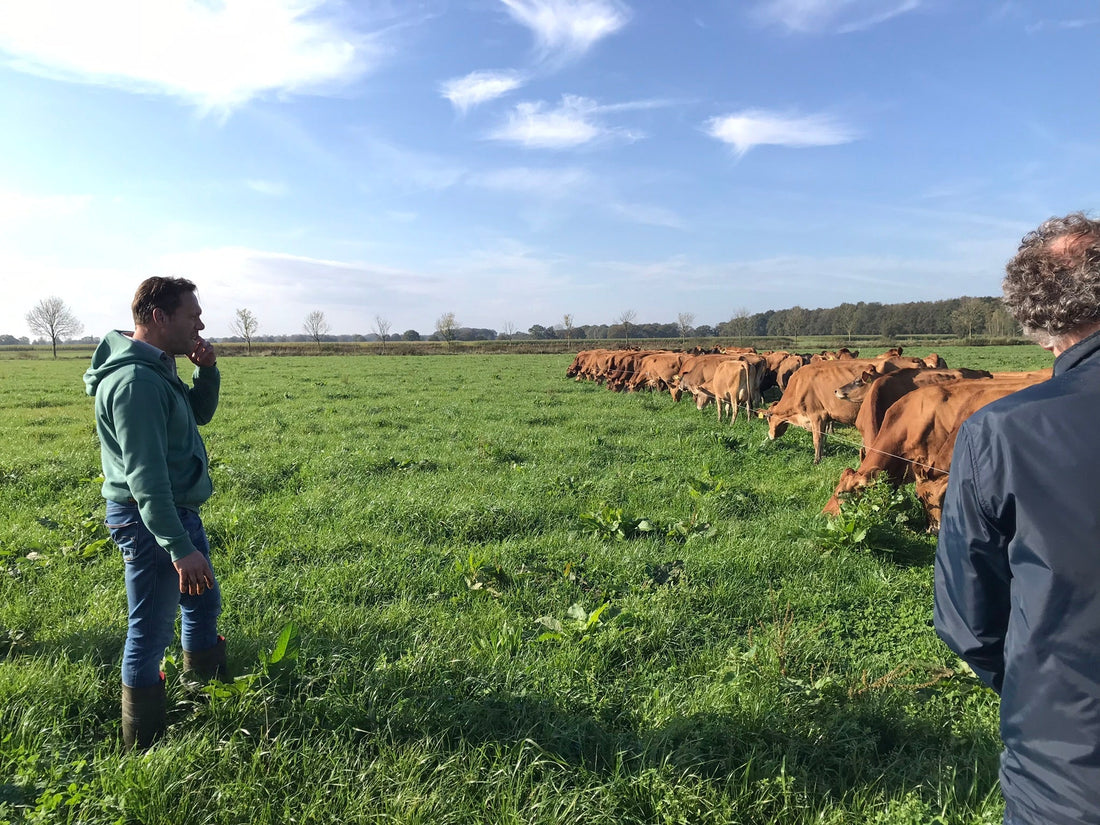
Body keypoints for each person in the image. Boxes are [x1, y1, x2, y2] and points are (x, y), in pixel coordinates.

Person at [934, 211, 1100, 825]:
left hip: (1071, 771)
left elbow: (967, 618)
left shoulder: (1001, 431)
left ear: (1037, 319)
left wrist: (1034, 683)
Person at [84, 276, 227, 750]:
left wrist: (206, 371)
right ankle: (141, 745)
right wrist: (179, 547)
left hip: (172, 512)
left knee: (203, 602)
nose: (201, 323)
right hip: (151, 520)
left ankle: (205, 694)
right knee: (149, 627)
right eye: (192, 314)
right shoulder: (135, 383)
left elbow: (196, 415)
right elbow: (145, 478)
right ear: (159, 317)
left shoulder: (158, 366)